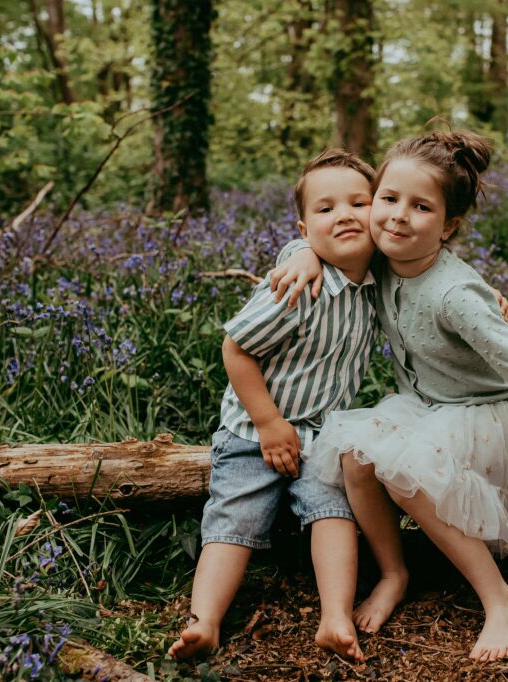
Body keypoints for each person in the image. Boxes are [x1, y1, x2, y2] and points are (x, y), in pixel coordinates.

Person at [269, 130, 508, 662]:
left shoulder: (457, 295)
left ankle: (501, 601)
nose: (397, 217)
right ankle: (393, 572)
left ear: (448, 225)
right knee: (355, 457)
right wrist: (299, 253)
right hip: (427, 405)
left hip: (485, 414)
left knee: (405, 473)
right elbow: (320, 234)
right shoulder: (383, 256)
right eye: (387, 199)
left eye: (421, 206)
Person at [167, 148, 379, 663]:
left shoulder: (377, 279)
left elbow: (428, 259)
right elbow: (236, 350)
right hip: (252, 429)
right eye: (326, 209)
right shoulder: (297, 285)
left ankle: (335, 618)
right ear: (305, 230)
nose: (345, 214)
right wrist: (267, 422)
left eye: (359, 202)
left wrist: (487, 292)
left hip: (322, 431)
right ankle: (206, 621)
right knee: (235, 517)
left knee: (333, 511)